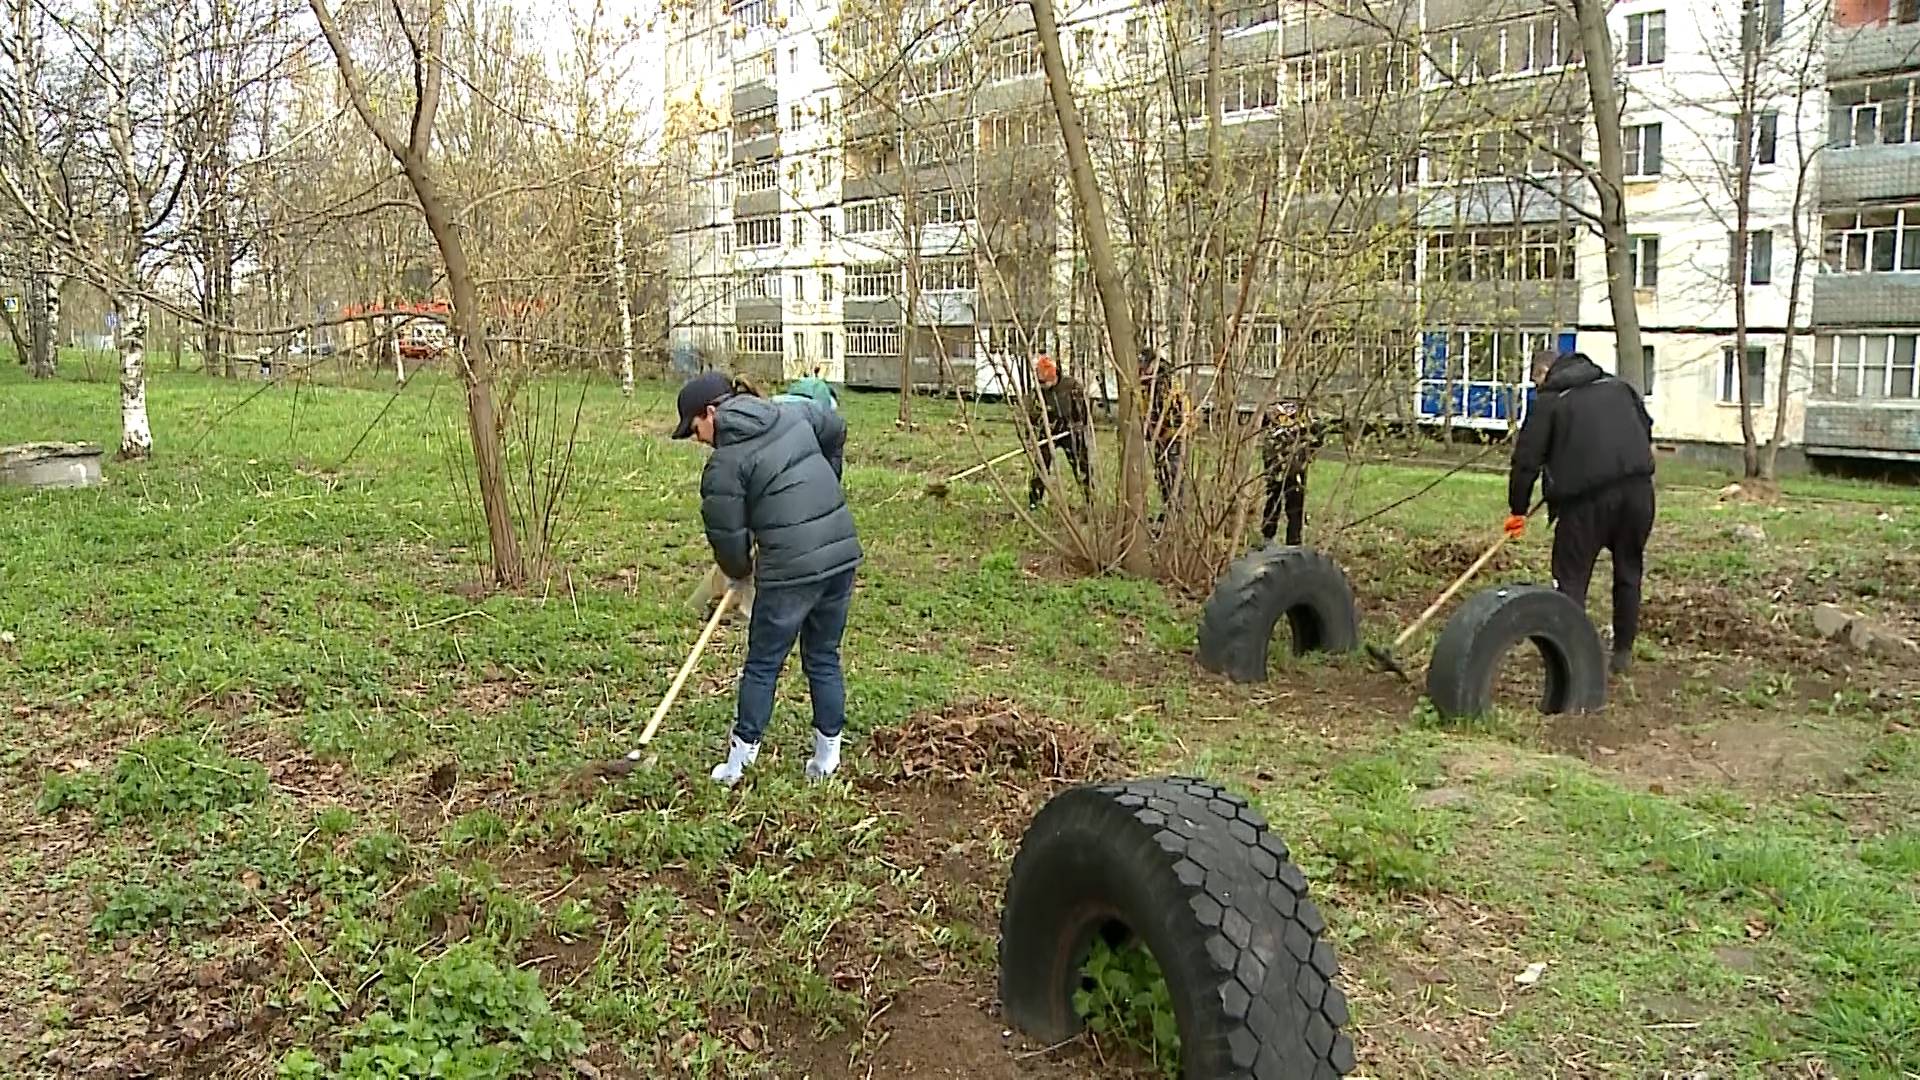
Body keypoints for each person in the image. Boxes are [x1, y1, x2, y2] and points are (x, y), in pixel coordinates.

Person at [671, 370, 862, 785]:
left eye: (694, 429)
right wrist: (828, 483)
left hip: (790, 571)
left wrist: (740, 573)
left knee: (762, 664)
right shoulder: (791, 414)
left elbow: (728, 542)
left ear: (711, 412)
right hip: (841, 554)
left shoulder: (725, 466)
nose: (696, 439)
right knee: (823, 656)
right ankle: (826, 760)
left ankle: (738, 765)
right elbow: (837, 427)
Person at [1507, 350, 1656, 676]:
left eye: (1536, 381)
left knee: (1571, 578)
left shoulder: (1550, 400)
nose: (1537, 388)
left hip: (1586, 503)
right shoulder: (1619, 388)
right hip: (1638, 492)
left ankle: (1570, 661)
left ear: (1545, 372)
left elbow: (1526, 461)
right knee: (1628, 570)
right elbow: (1645, 427)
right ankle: (1622, 653)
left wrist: (1517, 510)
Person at [1028, 354, 1092, 509]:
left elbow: (1083, 410)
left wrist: (1079, 425)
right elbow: (1032, 417)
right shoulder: (1038, 393)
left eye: (1044, 382)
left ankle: (1089, 500)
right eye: (1040, 382)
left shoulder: (1071, 386)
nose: (1042, 385)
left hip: (1071, 432)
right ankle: (1035, 502)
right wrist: (1031, 437)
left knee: (1081, 464)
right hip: (1048, 431)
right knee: (1041, 465)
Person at [1261, 398, 1326, 547]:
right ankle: (1268, 538)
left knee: (1294, 504)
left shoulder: (1306, 412)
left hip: (1295, 467)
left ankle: (1293, 543)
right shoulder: (1276, 409)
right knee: (1273, 500)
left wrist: (1308, 454)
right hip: (1276, 464)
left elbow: (1319, 433)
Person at [1139, 350, 1191, 516]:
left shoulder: (1164, 382)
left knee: (1173, 473)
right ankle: (1168, 506)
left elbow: (1167, 411)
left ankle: (1177, 510)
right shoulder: (1148, 382)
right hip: (1161, 433)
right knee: (1161, 474)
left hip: (1173, 433)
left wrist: (1155, 431)